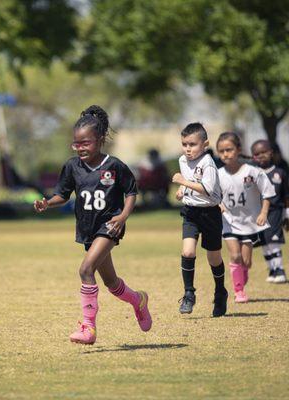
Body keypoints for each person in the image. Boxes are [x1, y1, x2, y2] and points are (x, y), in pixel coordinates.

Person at [33, 105, 151, 345]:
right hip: (88, 229)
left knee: (85, 270)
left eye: (85, 143)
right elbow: (63, 195)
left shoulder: (114, 165)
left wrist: (123, 216)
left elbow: (131, 191)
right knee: (112, 284)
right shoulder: (72, 166)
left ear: (99, 140)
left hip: (109, 226)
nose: (80, 148)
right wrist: (47, 203)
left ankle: (88, 328)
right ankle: (138, 300)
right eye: (76, 144)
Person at [171, 123, 228, 317]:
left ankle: (220, 292)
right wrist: (182, 191)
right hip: (191, 213)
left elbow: (208, 189)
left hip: (210, 214)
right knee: (187, 252)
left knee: (214, 258)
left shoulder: (208, 162)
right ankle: (189, 294)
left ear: (205, 144)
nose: (188, 149)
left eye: (192, 144)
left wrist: (183, 182)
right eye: (184, 144)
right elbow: (190, 184)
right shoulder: (183, 160)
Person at [216, 132, 275, 303]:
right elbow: (210, 194)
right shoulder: (218, 174)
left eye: (229, 149)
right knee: (235, 256)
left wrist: (263, 213)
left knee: (246, 261)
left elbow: (267, 193)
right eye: (221, 151)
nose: (225, 154)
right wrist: (218, 204)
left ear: (239, 150)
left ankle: (243, 273)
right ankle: (239, 291)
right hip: (228, 222)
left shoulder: (253, 172)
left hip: (249, 223)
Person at [251, 140, 289, 283]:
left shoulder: (280, 173)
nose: (261, 156)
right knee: (264, 243)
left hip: (275, 211)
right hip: (257, 214)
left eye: (264, 152)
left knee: (273, 242)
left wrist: (287, 216)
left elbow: (287, 196)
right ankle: (272, 269)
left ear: (271, 153)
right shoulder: (252, 174)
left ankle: (280, 269)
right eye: (257, 154)